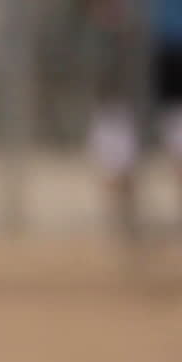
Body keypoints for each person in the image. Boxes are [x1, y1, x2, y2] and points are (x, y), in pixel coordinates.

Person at [86, 0, 182, 245]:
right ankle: (127, 225)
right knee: (117, 139)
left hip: (168, 50)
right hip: (125, 49)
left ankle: (128, 224)